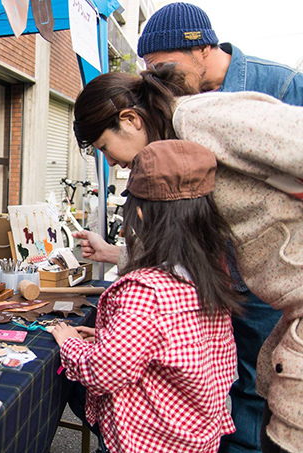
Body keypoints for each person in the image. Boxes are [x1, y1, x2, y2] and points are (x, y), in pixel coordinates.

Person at [72, 66, 303, 453]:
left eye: (103, 146)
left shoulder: (197, 117)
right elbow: (179, 249)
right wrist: (115, 252)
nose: (111, 163)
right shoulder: (178, 164)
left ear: (129, 120)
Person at [52, 139, 239, 453]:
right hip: (196, 438)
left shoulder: (146, 290)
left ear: (138, 212)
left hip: (147, 440)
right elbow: (176, 346)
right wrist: (107, 337)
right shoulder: (210, 274)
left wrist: (69, 341)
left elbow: (103, 372)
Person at [137, 2, 303, 102]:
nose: (159, 80)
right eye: (152, 71)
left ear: (202, 48)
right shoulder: (167, 96)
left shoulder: (285, 85)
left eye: (164, 67)